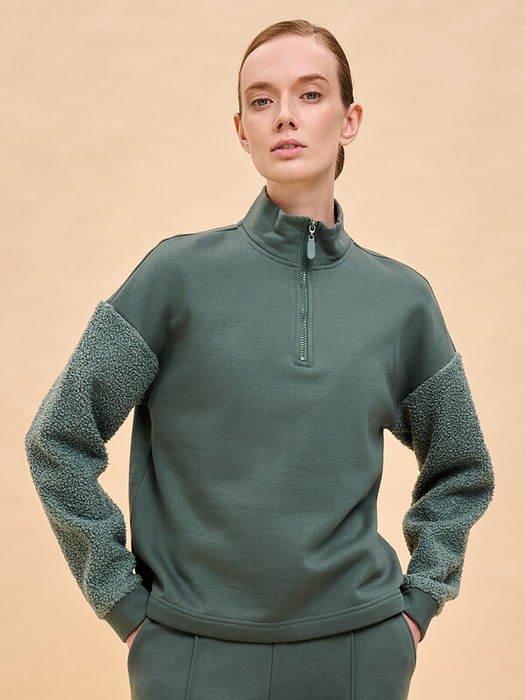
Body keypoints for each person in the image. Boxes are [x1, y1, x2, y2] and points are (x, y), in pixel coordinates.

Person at [25, 18, 495, 700]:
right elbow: (58, 439)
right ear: (241, 129)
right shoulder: (173, 278)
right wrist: (121, 602)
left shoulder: (401, 301)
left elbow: (462, 467)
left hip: (359, 655)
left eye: (310, 94)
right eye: (261, 99)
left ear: (350, 119)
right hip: (191, 656)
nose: (285, 117)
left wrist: (418, 605)